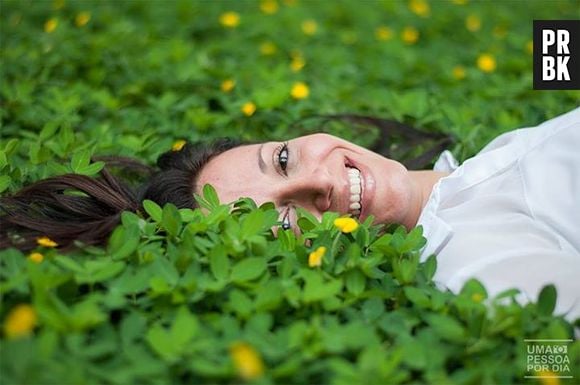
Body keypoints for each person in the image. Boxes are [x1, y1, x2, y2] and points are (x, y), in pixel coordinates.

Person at [1, 108, 579, 321]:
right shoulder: (475, 267)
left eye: (281, 159)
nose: (318, 181)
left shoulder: (479, 168)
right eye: (281, 221)